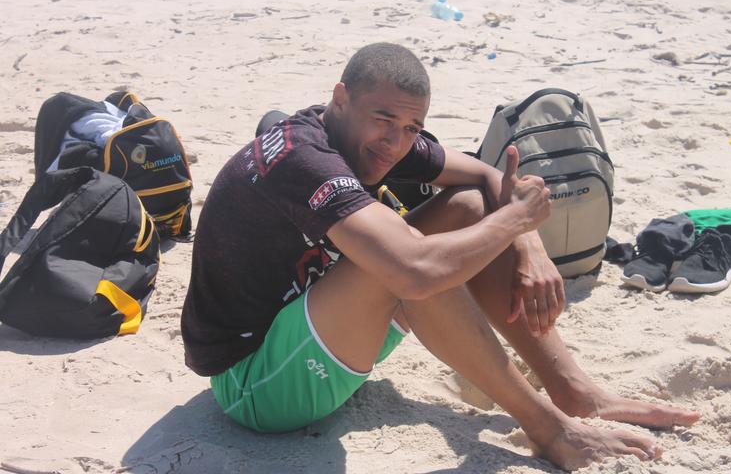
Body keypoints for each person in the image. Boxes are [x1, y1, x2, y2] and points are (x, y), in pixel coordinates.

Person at [181, 42, 699, 470]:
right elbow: (415, 271)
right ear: (340, 99)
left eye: (412, 127)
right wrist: (518, 220)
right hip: (255, 386)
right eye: (384, 119)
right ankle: (549, 428)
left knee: (468, 207)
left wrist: (530, 246)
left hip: (318, 330)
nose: (395, 142)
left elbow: (486, 177)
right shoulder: (303, 157)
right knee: (407, 263)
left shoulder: (378, 138)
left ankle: (573, 391)